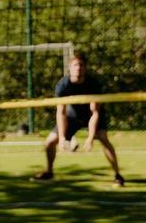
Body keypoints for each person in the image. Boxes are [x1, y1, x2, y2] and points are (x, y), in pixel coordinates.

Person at [32, 52, 124, 186]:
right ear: (69, 67)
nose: (78, 68)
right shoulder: (63, 85)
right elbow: (61, 113)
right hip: (73, 115)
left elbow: (95, 113)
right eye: (75, 65)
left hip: (91, 115)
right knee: (50, 141)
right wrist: (62, 137)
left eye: (81, 65)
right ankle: (49, 172)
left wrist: (91, 137)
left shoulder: (93, 84)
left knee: (103, 138)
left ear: (85, 68)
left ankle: (118, 175)